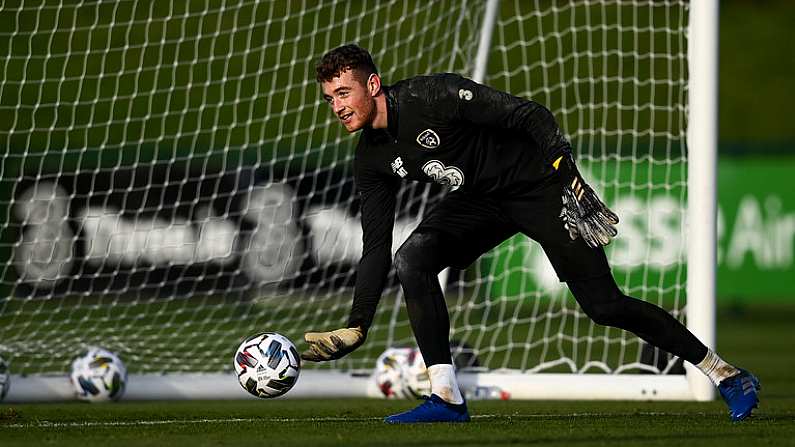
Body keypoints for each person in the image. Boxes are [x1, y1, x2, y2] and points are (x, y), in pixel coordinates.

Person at [301, 44, 760, 424]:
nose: (338, 106)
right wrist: (359, 324)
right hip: (482, 202)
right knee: (411, 260)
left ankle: (726, 374)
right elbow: (375, 245)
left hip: (539, 188)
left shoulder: (432, 96)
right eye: (330, 98)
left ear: (373, 85)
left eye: (344, 92)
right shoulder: (370, 159)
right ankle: (446, 397)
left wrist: (565, 170)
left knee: (604, 307)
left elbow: (528, 114)